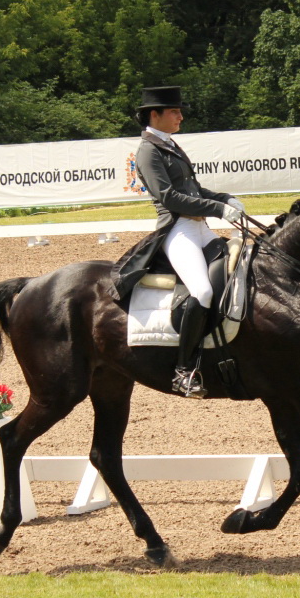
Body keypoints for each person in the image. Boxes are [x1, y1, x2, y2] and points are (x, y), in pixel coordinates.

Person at [111, 86, 244, 398]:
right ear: (154, 115)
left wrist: (225, 198)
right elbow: (169, 197)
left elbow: (194, 189)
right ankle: (183, 371)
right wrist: (218, 209)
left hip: (200, 229)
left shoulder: (169, 144)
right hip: (178, 231)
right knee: (203, 290)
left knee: (236, 274)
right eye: (174, 111)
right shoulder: (147, 151)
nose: (180, 116)